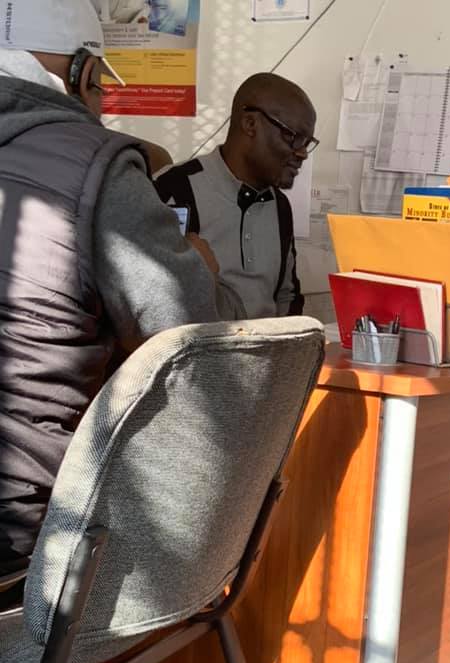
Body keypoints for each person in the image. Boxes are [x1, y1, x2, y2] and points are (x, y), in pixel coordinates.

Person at [0, 0, 241, 578]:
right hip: (23, 536)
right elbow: (192, 339)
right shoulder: (93, 163)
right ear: (84, 72)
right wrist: (199, 266)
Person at [156, 73, 318, 320]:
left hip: (269, 343)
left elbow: (288, 297)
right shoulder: (173, 189)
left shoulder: (280, 206)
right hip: (200, 343)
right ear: (250, 124)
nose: (303, 153)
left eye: (308, 143)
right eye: (294, 137)